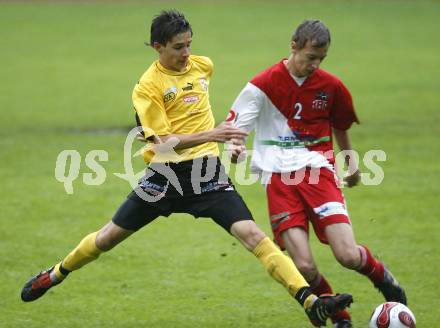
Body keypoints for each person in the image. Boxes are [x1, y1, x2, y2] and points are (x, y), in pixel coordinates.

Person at [20, 11, 353, 327]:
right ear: (158, 47)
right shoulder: (147, 87)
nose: (186, 53)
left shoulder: (202, 67)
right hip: (164, 178)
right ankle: (56, 273)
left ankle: (311, 302)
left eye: (189, 44)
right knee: (107, 238)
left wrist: (226, 142)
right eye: (178, 47)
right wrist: (215, 134)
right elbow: (161, 142)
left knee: (254, 236)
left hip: (206, 173)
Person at [226, 19, 407, 328]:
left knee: (348, 255)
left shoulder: (331, 86)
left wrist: (350, 162)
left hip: (318, 173)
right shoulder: (261, 85)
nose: (314, 65)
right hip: (279, 181)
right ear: (293, 47)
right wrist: (235, 146)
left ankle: (383, 277)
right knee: (305, 266)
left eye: (321, 59)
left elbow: (340, 124)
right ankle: (341, 317)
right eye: (310, 57)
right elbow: (235, 127)